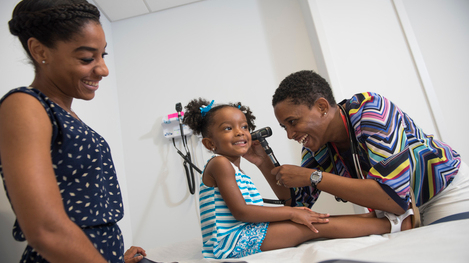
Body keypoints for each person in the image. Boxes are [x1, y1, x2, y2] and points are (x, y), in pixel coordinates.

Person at [0, 0, 146, 262]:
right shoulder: (25, 105)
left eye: (103, 55)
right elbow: (46, 229)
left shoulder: (66, 115)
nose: (102, 69)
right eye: (87, 58)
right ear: (39, 50)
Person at [182, 98, 412, 260]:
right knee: (308, 226)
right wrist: (293, 213)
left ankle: (382, 221)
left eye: (244, 126)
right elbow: (242, 212)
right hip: (230, 243)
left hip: (242, 235)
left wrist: (264, 163)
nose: (241, 132)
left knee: (308, 220)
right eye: (228, 128)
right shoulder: (220, 164)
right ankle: (388, 224)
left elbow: (285, 202)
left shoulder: (232, 168)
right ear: (210, 144)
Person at [269, 69, 469, 227]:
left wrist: (314, 177)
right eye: (284, 127)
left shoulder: (372, 111)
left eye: (293, 122)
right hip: (400, 210)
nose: (289, 134)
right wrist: (262, 161)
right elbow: (296, 205)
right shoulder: (316, 146)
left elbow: (394, 198)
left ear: (322, 107)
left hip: (444, 193)